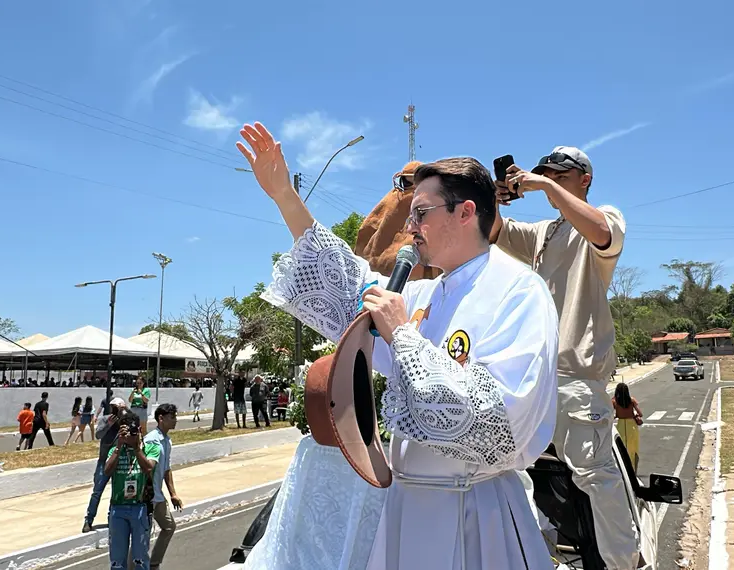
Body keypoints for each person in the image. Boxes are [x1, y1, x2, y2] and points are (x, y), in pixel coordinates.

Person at [237, 122, 558, 569]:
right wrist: (285, 197)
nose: (409, 227)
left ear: (466, 212)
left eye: (421, 212)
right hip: (407, 509)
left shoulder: (519, 290)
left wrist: (403, 336)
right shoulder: (426, 294)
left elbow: (496, 422)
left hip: (474, 512)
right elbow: (349, 283)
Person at [492, 146, 636, 569]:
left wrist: (547, 187)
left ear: (584, 178)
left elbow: (602, 232)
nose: (548, 178)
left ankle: (622, 564)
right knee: (513, 475)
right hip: (534, 381)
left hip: (576, 379)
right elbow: (494, 231)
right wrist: (492, 197)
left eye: (559, 173)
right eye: (544, 173)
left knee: (597, 481)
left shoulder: (604, 218)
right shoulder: (545, 233)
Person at [104, 411, 159, 570]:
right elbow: (107, 471)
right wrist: (119, 446)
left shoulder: (150, 448)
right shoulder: (115, 450)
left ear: (140, 430)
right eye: (125, 431)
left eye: (132, 431)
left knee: (140, 558)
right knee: (117, 560)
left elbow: (149, 468)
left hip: (139, 507)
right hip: (118, 508)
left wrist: (136, 448)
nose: (130, 435)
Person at [144, 403, 183, 569]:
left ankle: (154, 563)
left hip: (158, 495)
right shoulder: (152, 440)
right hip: (146, 496)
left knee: (169, 526)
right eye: (172, 417)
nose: (175, 420)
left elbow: (166, 469)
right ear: (161, 418)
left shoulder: (166, 441)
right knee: (142, 536)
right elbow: (145, 467)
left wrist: (173, 494)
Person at [82, 397, 125, 533]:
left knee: (116, 492)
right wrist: (109, 424)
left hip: (118, 461)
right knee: (97, 491)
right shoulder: (106, 419)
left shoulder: (125, 421)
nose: (116, 411)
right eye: (114, 408)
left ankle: (111, 518)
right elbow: (98, 435)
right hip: (104, 460)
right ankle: (88, 519)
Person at [612, 382, 643, 471]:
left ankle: (622, 469)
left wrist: (617, 415)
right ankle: (633, 470)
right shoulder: (631, 400)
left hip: (621, 425)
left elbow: (611, 415)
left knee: (621, 448)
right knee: (633, 449)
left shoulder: (614, 401)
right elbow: (640, 414)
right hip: (632, 426)